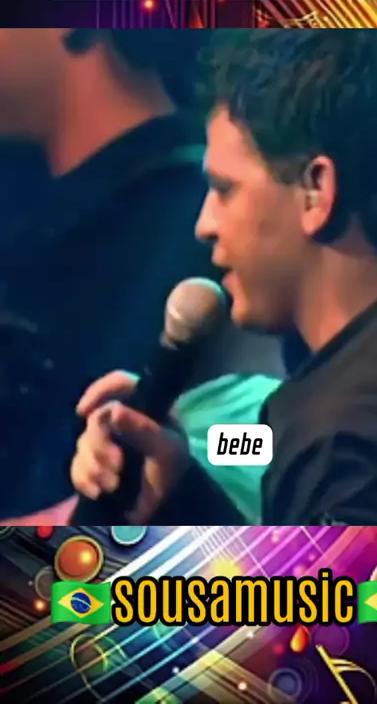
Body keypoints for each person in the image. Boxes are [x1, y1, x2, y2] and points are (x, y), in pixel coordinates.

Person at [70, 28, 377, 527]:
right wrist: (180, 487)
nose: (204, 225)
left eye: (225, 189)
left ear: (316, 190)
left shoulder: (348, 439)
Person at [0, 28, 284, 523]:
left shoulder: (203, 219)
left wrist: (189, 447)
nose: (212, 219)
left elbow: (260, 440)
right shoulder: (36, 219)